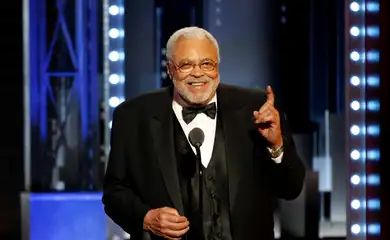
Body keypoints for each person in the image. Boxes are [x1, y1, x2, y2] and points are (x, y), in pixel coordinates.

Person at [102, 26, 306, 240]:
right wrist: (146, 218)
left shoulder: (256, 109)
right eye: (186, 65)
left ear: (218, 66)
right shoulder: (133, 117)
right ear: (170, 70)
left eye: (206, 63)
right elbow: (115, 194)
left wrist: (276, 146)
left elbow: (291, 188)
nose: (197, 73)